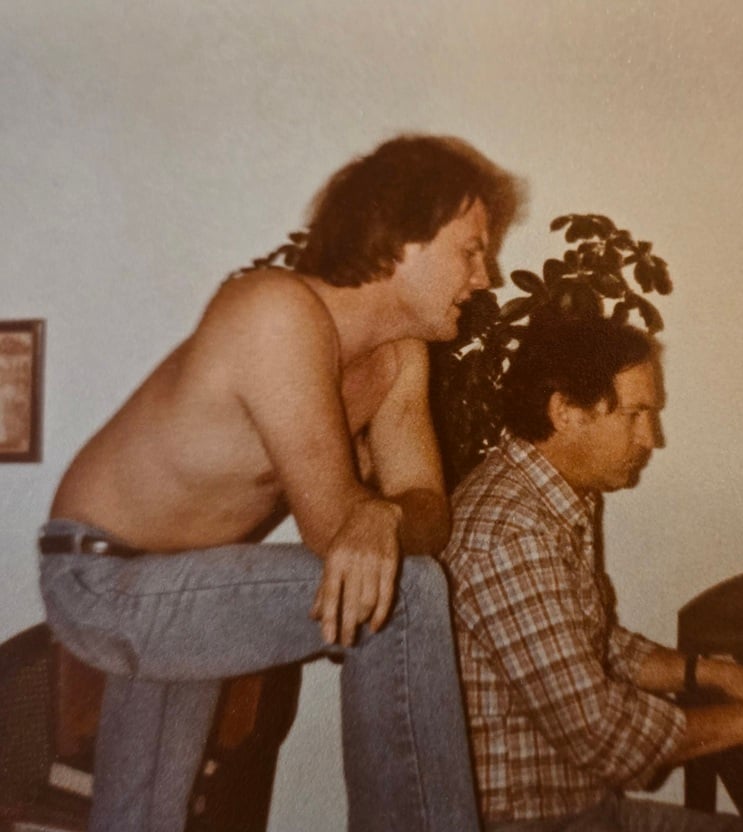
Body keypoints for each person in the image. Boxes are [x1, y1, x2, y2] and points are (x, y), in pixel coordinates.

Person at [39, 134, 521, 832]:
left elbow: (428, 516)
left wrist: (384, 517)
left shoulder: (398, 358)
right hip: (100, 580)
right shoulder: (275, 309)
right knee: (407, 591)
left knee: (141, 819)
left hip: (194, 581)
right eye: (472, 249)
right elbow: (336, 533)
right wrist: (376, 518)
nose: (487, 276)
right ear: (404, 240)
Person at [441, 315, 743, 832]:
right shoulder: (512, 534)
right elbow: (599, 733)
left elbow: (589, 643)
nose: (650, 438)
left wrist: (716, 673)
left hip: (578, 810)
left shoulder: (546, 496)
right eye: (635, 414)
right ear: (565, 412)